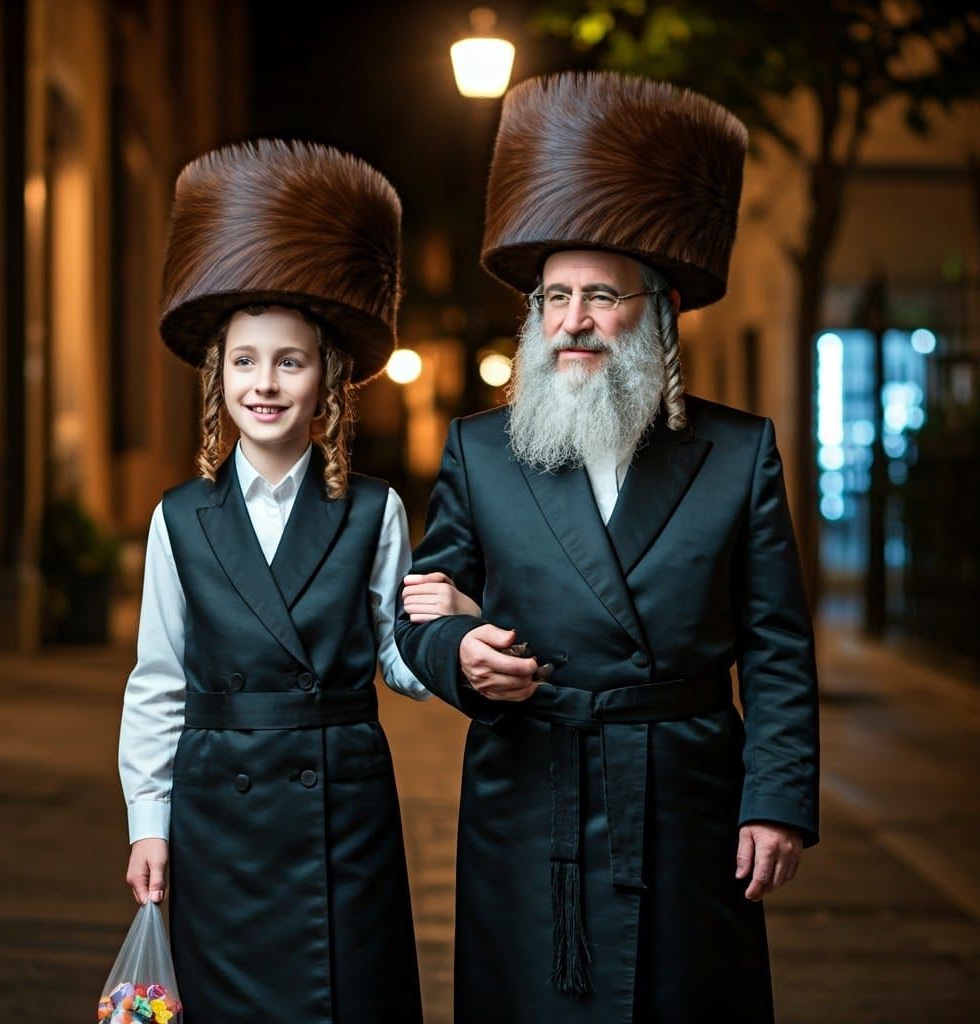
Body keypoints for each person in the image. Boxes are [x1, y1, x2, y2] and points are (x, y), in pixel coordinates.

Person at [396, 72, 820, 1023]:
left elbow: (781, 648)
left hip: (686, 800)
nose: (573, 322)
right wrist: (456, 654)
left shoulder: (739, 451)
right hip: (527, 796)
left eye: (600, 296)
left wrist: (778, 799)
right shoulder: (479, 449)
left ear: (658, 310)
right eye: (554, 298)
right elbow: (419, 603)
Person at [118, 139, 473, 1024]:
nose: (265, 384)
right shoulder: (177, 516)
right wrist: (147, 823)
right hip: (216, 815)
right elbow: (158, 683)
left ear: (329, 383)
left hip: (340, 812)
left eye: (289, 361)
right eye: (245, 362)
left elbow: (396, 660)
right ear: (219, 379)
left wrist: (455, 635)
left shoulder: (375, 511)